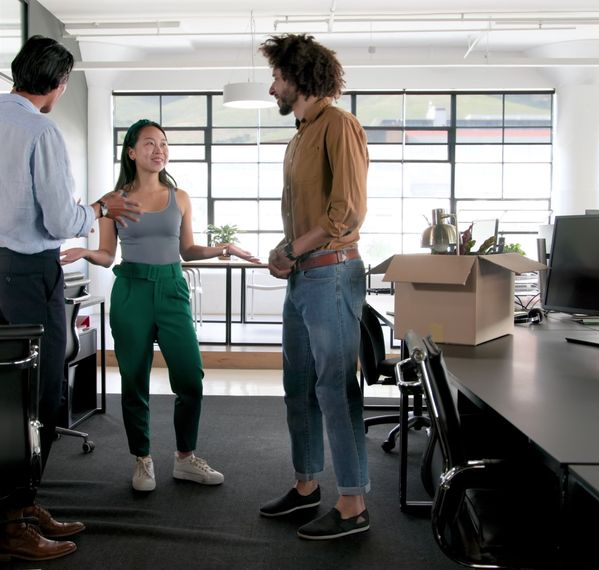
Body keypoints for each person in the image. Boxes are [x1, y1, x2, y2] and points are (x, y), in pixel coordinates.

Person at [0, 35, 141, 561]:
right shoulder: (41, 130)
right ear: (59, 85)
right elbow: (61, 221)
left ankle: (22, 505)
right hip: (33, 270)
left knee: (26, 392)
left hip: (0, 268)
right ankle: (12, 524)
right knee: (44, 397)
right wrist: (99, 209)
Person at [64, 118, 259, 493]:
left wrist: (224, 248)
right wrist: (86, 252)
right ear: (131, 152)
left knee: (190, 378)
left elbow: (188, 250)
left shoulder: (179, 197)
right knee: (133, 380)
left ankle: (186, 458)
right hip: (131, 290)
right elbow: (107, 255)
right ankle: (142, 458)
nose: (159, 150)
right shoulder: (114, 200)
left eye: (164, 143)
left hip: (172, 289)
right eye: (150, 143)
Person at [254, 34, 371, 540]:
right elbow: (304, 215)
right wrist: (287, 251)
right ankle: (306, 486)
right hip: (305, 275)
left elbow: (346, 210)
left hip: (333, 273)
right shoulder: (300, 135)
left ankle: (353, 504)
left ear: (299, 78)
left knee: (335, 388)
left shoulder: (339, 125)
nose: (272, 87)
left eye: (277, 77)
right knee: (298, 384)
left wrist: (293, 249)